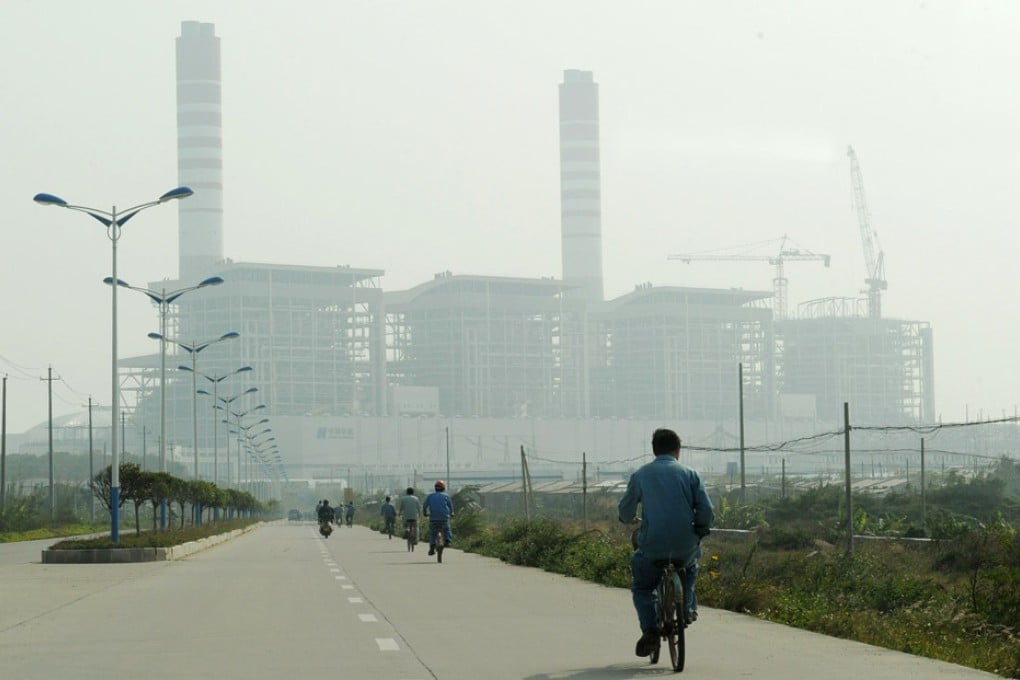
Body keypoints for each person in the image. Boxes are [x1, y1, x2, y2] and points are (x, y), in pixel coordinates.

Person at [618, 428, 713, 658]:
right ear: (677, 450)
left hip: (652, 545)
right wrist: (699, 531)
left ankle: (650, 629)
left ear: (654, 451)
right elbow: (706, 511)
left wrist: (627, 518)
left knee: (642, 587)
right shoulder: (690, 474)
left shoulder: (641, 475)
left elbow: (626, 510)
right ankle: (688, 607)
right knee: (690, 566)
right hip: (684, 545)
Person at [423, 480, 454, 556]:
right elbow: (451, 507)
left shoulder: (430, 496)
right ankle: (448, 541)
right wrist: (452, 513)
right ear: (443, 488)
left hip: (433, 518)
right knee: (447, 529)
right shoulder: (446, 496)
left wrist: (425, 513)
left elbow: (424, 506)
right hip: (444, 518)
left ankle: (432, 548)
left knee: (433, 533)